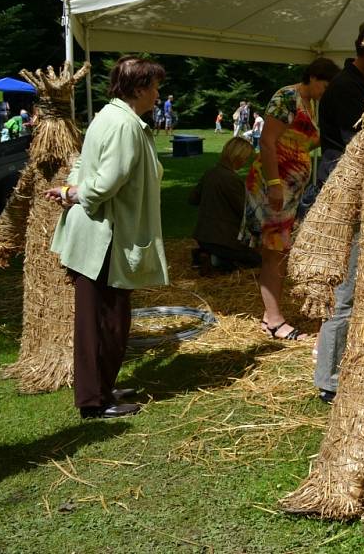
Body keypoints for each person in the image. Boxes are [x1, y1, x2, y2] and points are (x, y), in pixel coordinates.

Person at [46, 56, 169, 419]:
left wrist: (72, 187)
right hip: (105, 237)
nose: (158, 94)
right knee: (104, 321)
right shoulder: (122, 125)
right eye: (155, 87)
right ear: (139, 88)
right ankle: (94, 401)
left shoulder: (111, 116)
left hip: (103, 233)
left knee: (107, 318)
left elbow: (86, 167)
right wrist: (73, 193)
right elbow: (106, 181)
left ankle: (101, 387)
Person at [301, 15, 364, 404]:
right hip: (348, 196)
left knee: (359, 288)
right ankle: (330, 380)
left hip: (361, 193)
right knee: (347, 290)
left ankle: (346, 366)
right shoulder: (346, 89)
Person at [244, 57, 340, 342]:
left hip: (291, 186)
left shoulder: (312, 105)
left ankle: (271, 314)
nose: (327, 90)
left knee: (281, 249)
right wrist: (274, 184)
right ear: (311, 77)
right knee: (275, 249)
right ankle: (273, 320)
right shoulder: (287, 97)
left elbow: (303, 141)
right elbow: (268, 141)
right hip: (274, 184)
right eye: (325, 84)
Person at [189, 137, 261, 273]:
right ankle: (216, 261)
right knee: (257, 260)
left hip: (203, 235)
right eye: (245, 158)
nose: (245, 162)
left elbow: (193, 199)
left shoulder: (210, 173)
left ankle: (208, 255)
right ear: (238, 157)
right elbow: (244, 212)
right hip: (221, 239)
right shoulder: (233, 180)